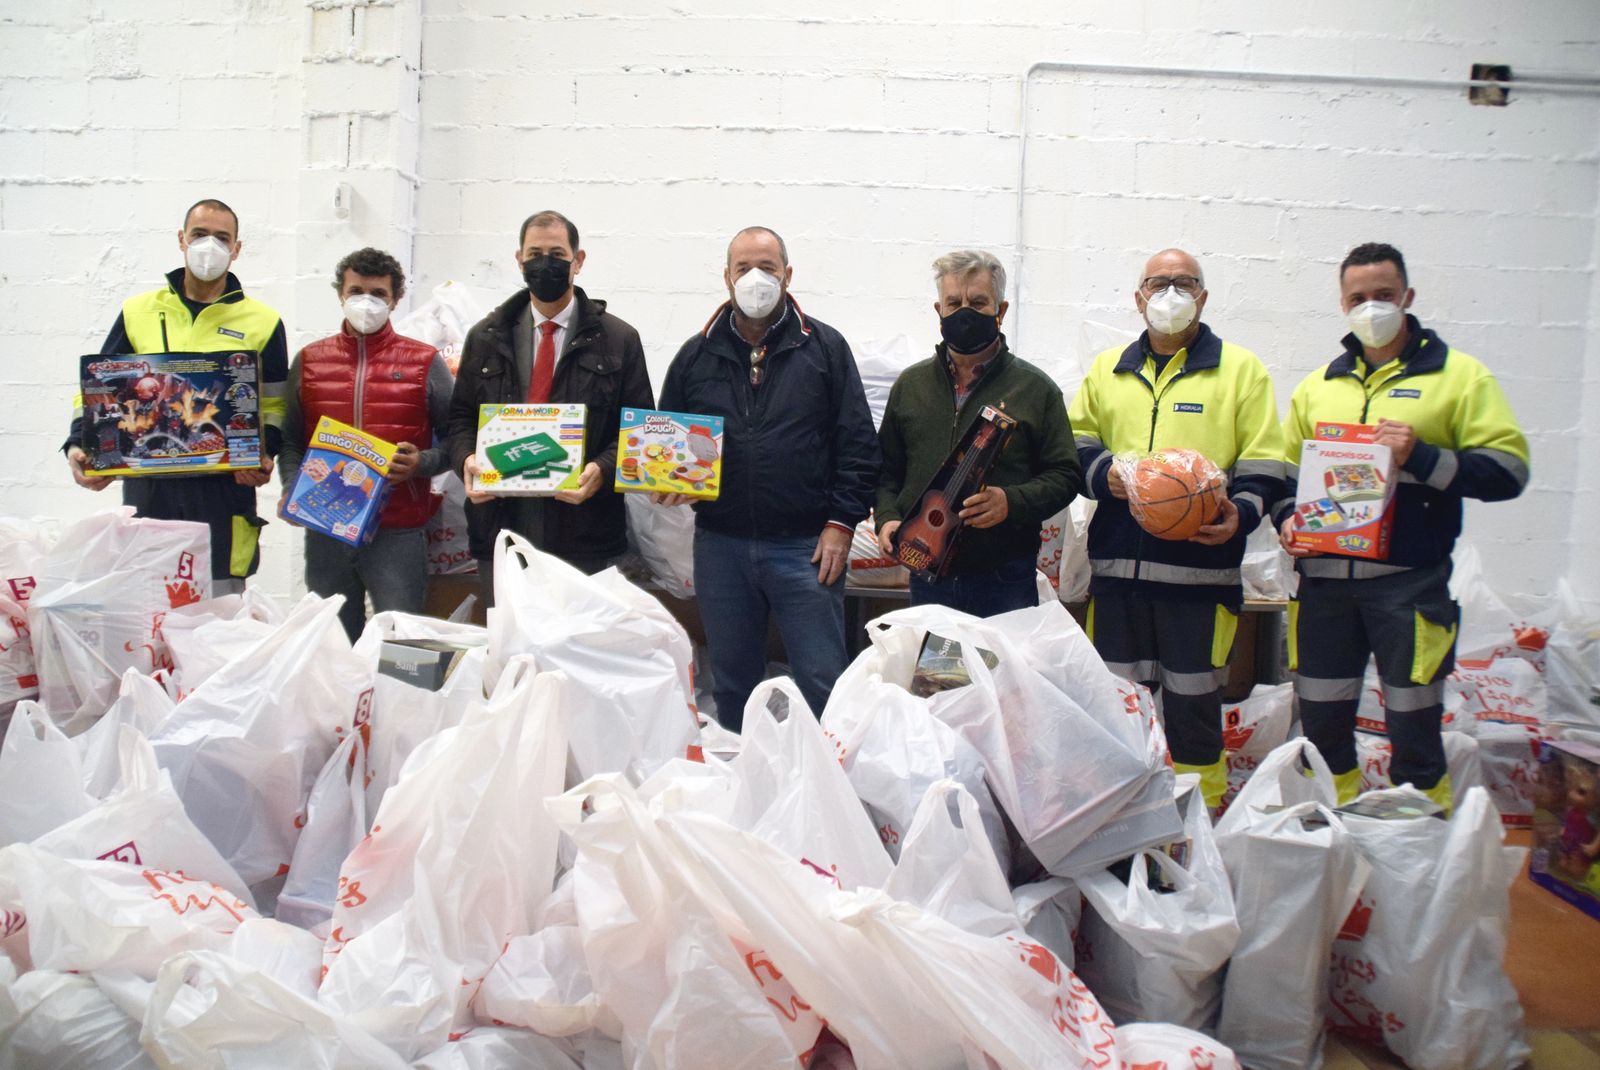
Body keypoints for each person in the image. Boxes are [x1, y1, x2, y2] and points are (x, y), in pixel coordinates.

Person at [1273, 242, 1529, 812]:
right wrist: (1288, 520)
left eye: (1383, 296)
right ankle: (1331, 835)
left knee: (1414, 727)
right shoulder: (1319, 386)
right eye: (1358, 298)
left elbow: (1509, 472)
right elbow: (1284, 479)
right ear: (1342, 304)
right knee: (1320, 729)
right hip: (1323, 589)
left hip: (1409, 587)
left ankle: (1421, 852)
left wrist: (1420, 455)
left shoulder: (1459, 377)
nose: (1371, 308)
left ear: (1407, 297)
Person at [1070, 248, 1287, 810]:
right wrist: (1105, 477)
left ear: (1204, 296)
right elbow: (1075, 443)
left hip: (1201, 578)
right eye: (1158, 283)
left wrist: (1240, 514)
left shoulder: (1241, 371)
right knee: (1118, 709)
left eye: (1183, 283)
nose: (1170, 294)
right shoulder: (1108, 370)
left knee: (1194, 712)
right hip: (1117, 576)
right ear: (1138, 297)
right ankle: (1121, 818)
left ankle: (1201, 821)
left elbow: (1268, 462)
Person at [657, 226, 879, 726]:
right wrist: (666, 478)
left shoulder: (824, 349)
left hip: (806, 547)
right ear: (727, 278)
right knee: (733, 683)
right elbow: (666, 438)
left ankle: (831, 791)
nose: (756, 278)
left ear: (787, 274)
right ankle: (744, 784)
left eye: (768, 268)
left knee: (823, 681)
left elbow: (858, 445)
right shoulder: (695, 356)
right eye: (743, 268)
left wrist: (842, 523)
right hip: (721, 546)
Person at [65, 199, 287, 593]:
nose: (210, 246)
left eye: (222, 237)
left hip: (224, 490)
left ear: (237, 249)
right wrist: (78, 445)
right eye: (200, 234)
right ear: (182, 240)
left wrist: (265, 454)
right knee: (146, 606)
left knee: (219, 609)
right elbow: (99, 387)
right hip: (152, 489)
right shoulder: (139, 312)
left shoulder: (264, 322)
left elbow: (274, 405)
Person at [446, 210, 654, 602]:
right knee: (511, 650)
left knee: (579, 648)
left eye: (557, 253)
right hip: (502, 529)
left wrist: (601, 470)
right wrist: (466, 462)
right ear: (519, 260)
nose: (545, 263)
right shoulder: (485, 337)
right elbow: (459, 418)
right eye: (535, 252)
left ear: (578, 260)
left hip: (585, 530)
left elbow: (638, 429)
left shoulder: (619, 339)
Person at [875, 249, 1082, 616]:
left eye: (978, 302)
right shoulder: (910, 386)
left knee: (1000, 673)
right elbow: (886, 469)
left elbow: (1066, 476)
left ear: (1000, 312)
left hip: (1004, 579)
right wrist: (888, 517)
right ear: (938, 312)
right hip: (927, 575)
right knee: (936, 675)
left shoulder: (1035, 390)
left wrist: (1011, 502)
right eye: (953, 303)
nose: (964, 312)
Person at [279, 247, 453, 641]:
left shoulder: (425, 362)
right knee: (332, 645)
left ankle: (398, 705)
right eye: (357, 290)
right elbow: (290, 442)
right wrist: (291, 488)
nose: (367, 302)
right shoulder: (308, 361)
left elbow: (460, 440)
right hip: (325, 529)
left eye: (378, 294)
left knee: (402, 645)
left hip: (398, 530)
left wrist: (422, 463)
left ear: (395, 300)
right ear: (340, 294)